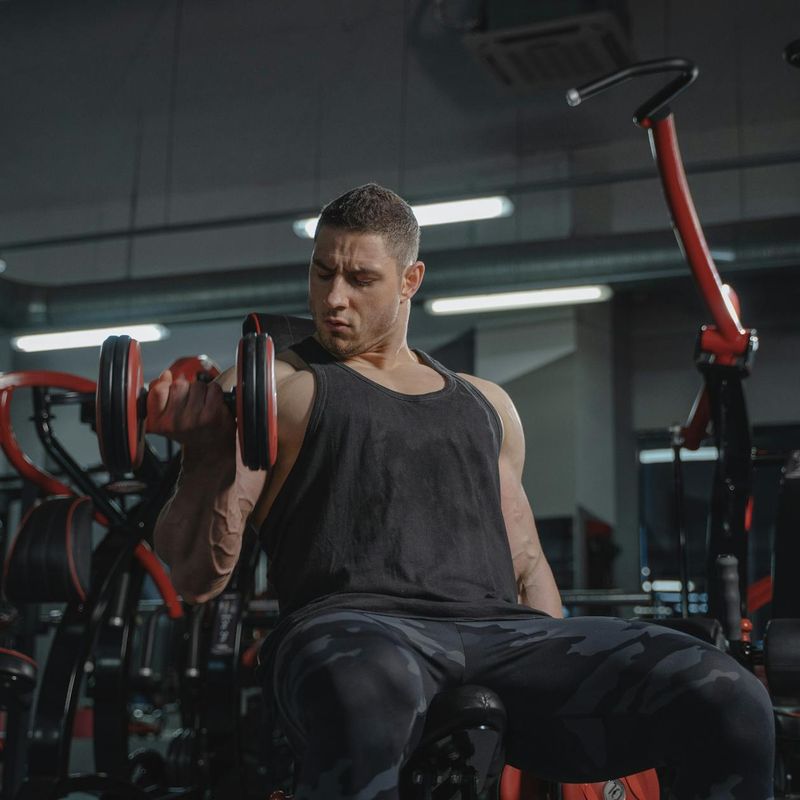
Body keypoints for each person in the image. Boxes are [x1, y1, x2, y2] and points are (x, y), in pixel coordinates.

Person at [151, 184, 775, 800]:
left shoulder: (486, 404)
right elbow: (196, 576)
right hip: (355, 630)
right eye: (321, 274)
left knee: (725, 693)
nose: (333, 299)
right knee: (369, 691)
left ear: (410, 280)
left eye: (360, 279)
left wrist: (560, 679)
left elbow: (528, 563)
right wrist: (203, 458)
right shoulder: (279, 386)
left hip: (502, 635)